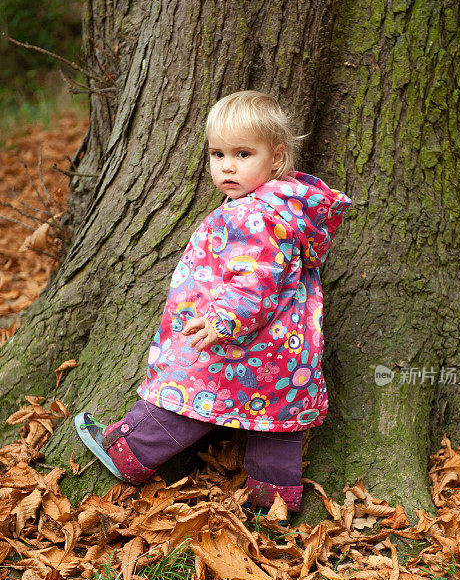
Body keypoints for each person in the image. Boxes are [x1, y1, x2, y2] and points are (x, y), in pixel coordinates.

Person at [74, 91, 350, 516]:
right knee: (276, 420)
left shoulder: (253, 214)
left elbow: (256, 279)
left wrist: (222, 321)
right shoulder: (284, 209)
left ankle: (130, 452)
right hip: (282, 354)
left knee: (192, 393)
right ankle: (274, 501)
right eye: (217, 153)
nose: (227, 165)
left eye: (243, 153)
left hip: (233, 340)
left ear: (275, 160)